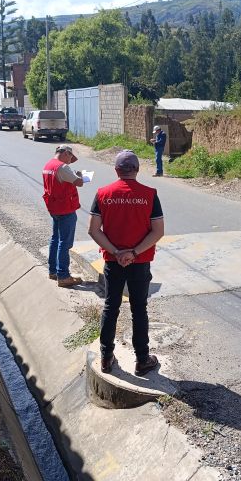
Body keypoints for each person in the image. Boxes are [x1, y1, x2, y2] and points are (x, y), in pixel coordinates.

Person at [88, 150, 164, 376]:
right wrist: (134, 252)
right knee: (139, 308)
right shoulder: (150, 194)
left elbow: (93, 230)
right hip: (140, 262)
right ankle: (142, 360)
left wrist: (117, 252)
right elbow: (158, 231)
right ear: (137, 170)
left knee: (111, 307)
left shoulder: (103, 193)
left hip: (113, 261)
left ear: (116, 170)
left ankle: (106, 357)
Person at [42, 145, 85, 286]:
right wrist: (80, 175)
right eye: (70, 158)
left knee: (55, 239)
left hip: (54, 207)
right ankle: (63, 276)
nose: (70, 161)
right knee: (64, 243)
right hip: (65, 208)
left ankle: (53, 271)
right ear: (66, 153)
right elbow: (79, 183)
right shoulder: (62, 167)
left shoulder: (48, 165)